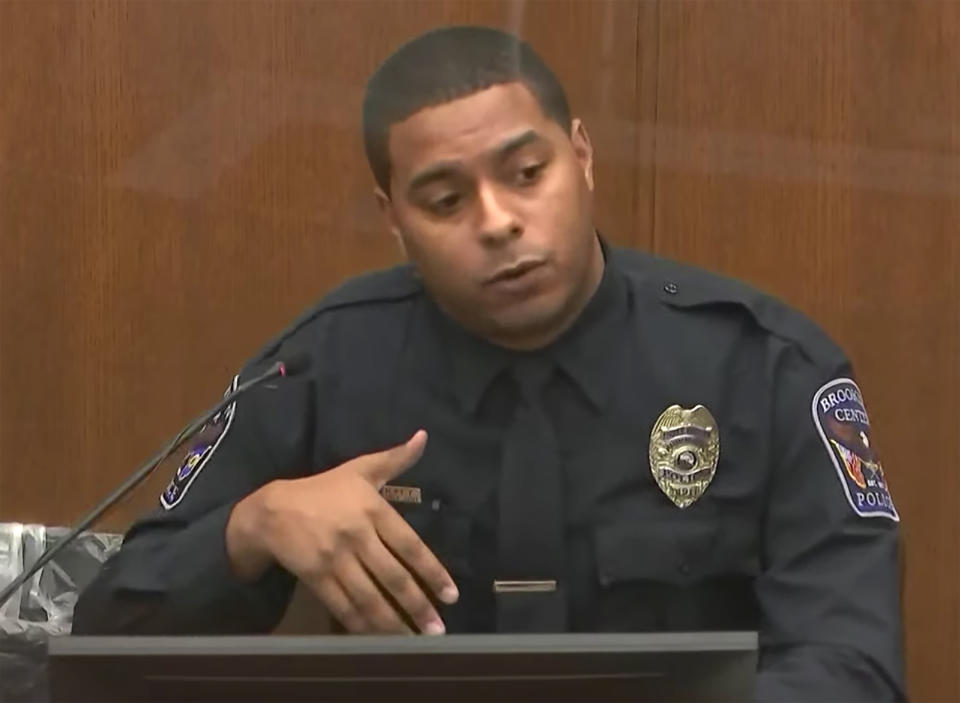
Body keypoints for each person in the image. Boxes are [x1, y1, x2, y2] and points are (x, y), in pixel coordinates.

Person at [73, 25, 905, 700]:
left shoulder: (763, 367)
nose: (499, 221)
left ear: (581, 157)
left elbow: (852, 665)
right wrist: (253, 527)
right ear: (392, 217)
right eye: (445, 200)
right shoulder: (321, 367)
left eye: (526, 173)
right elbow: (108, 640)